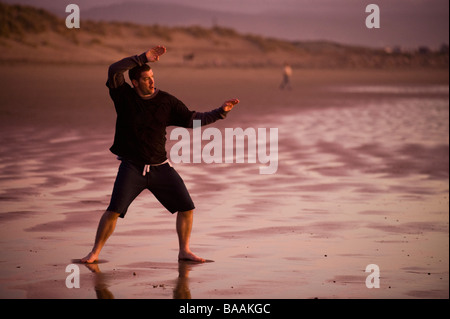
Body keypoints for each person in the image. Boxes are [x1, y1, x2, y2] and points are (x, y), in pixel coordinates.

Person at [81, 45, 239, 263]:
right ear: (134, 82)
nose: (152, 82)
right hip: (132, 168)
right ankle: (95, 253)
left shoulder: (166, 101)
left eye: (153, 77)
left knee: (187, 207)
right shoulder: (123, 96)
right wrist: (142, 58)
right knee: (114, 210)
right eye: (146, 79)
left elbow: (193, 119)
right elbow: (114, 70)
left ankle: (184, 250)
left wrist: (220, 113)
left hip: (160, 167)